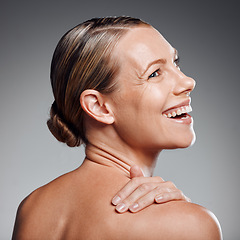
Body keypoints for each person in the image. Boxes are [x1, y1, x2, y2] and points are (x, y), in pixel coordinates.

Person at [12, 16, 222, 239]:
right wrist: (186, 220)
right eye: (154, 73)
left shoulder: (32, 207)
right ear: (99, 107)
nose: (188, 82)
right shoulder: (188, 225)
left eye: (175, 63)